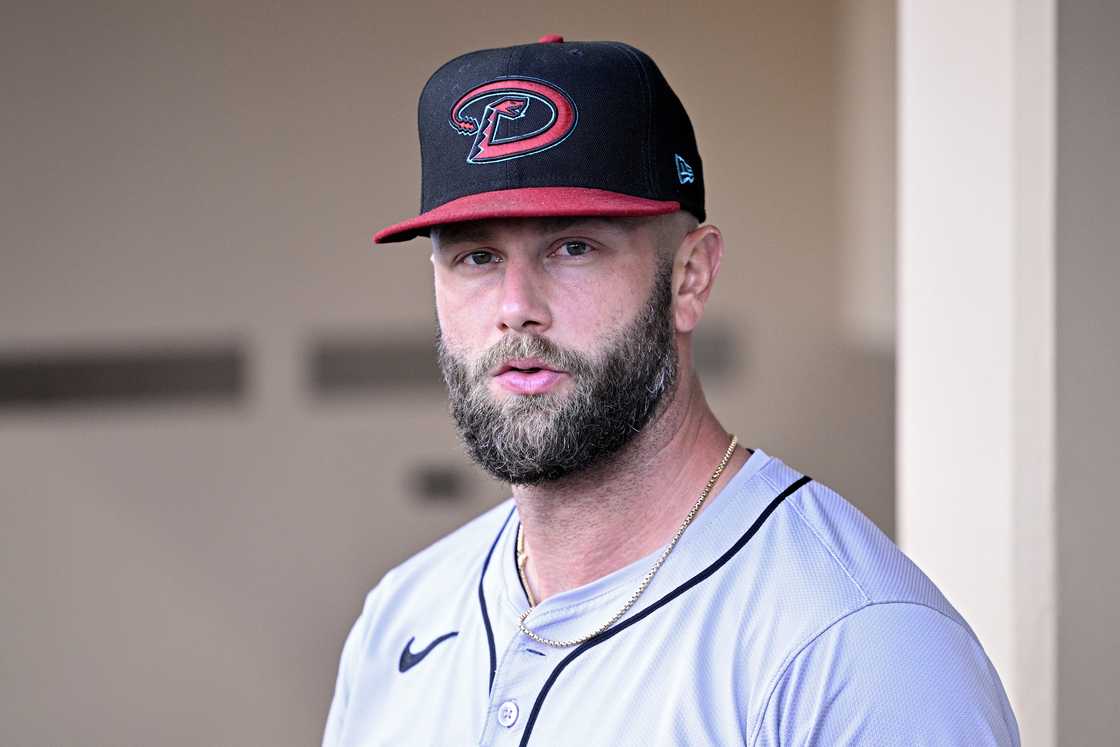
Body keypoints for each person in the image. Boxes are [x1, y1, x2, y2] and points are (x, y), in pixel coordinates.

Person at [323, 36, 1020, 746]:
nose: (515, 305)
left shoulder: (858, 650)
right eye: (476, 255)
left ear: (691, 276)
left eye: (573, 247)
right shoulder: (398, 620)